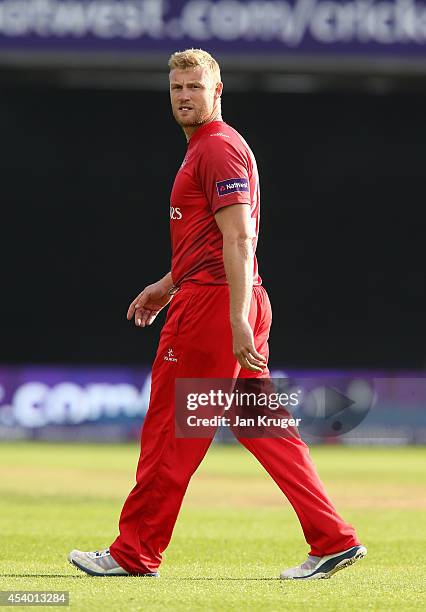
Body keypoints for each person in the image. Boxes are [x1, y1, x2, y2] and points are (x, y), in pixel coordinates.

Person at [68, 48, 366, 580]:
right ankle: (333, 539)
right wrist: (167, 285)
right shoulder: (208, 148)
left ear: (217, 91)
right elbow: (210, 242)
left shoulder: (218, 149)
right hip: (223, 295)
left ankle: (133, 553)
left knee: (170, 433)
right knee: (264, 429)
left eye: (194, 87)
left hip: (214, 307)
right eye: (177, 88)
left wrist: (232, 316)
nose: (184, 96)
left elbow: (239, 238)